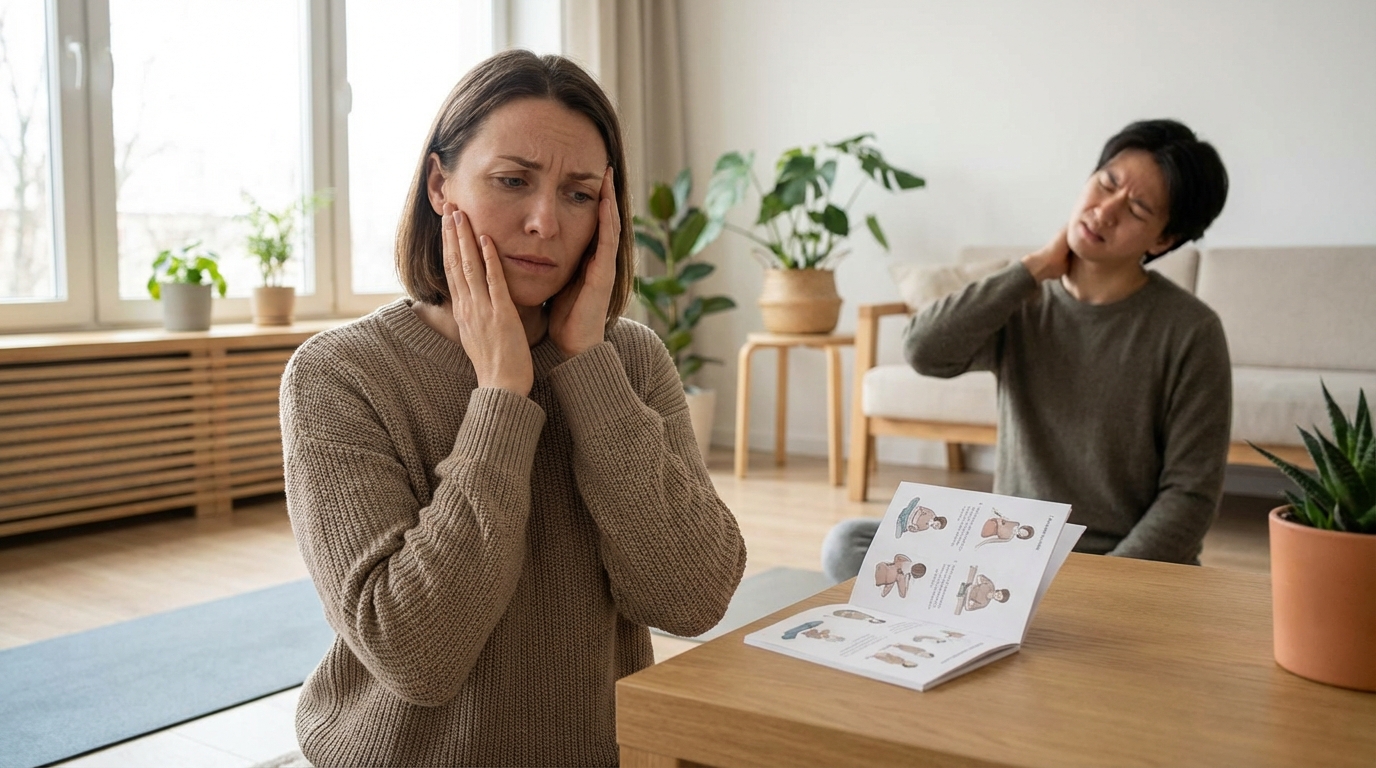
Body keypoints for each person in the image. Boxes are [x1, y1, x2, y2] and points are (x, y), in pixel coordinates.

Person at [280, 50, 747, 767]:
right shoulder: (339, 374)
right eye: (512, 181)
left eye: (579, 194)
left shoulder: (630, 360)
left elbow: (692, 598)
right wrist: (501, 394)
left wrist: (588, 369)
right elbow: (415, 655)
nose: (544, 222)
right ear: (440, 184)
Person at [823, 119, 1230, 582]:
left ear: (1164, 239)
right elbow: (924, 351)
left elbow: (1190, 496)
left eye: (1136, 208)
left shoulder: (1191, 331)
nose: (1105, 210)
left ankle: (1014, 613)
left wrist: (1102, 583)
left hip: (1119, 567)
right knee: (848, 545)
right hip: (1010, 555)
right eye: (1106, 183)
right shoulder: (1023, 300)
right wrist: (1032, 268)